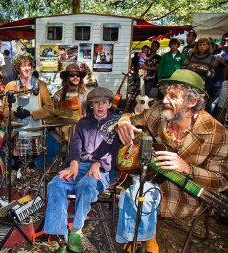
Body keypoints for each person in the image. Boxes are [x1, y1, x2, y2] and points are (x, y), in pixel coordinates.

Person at [115, 69, 228, 253]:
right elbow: (132, 118)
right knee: (137, 191)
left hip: (185, 193)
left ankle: (141, 238)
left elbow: (221, 181)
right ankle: (145, 237)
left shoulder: (217, 134)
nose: (165, 100)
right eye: (165, 93)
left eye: (173, 96)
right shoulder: (160, 111)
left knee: (134, 195)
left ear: (192, 102)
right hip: (154, 178)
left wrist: (188, 168)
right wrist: (123, 122)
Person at [44, 87, 121, 253]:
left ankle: (76, 229)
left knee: (86, 185)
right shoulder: (83, 123)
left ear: (109, 104)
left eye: (104, 103)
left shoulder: (116, 124)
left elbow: (115, 152)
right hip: (80, 165)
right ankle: (61, 237)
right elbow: (75, 145)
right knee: (55, 184)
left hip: (104, 169)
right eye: (96, 103)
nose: (100, 106)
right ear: (91, 105)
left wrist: (98, 164)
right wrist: (73, 162)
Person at [2, 52, 56, 170]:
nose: (27, 68)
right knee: (4, 152)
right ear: (18, 68)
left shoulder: (40, 85)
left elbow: (50, 108)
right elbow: (5, 110)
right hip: (17, 131)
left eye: (29, 65)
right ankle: (15, 172)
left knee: (54, 147)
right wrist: (15, 114)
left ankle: (34, 168)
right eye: (23, 65)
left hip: (36, 129)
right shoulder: (10, 86)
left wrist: (32, 113)